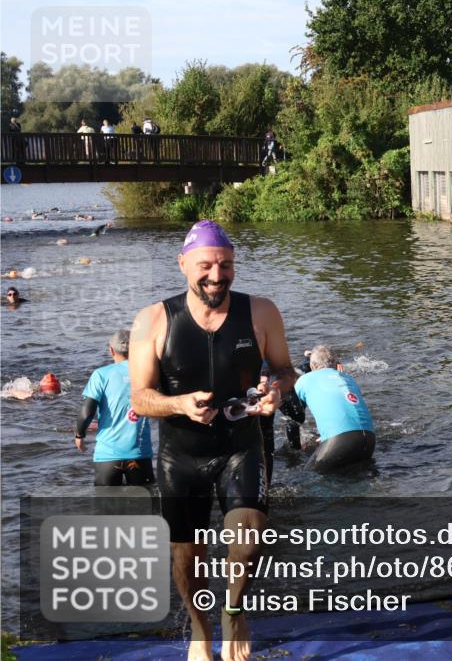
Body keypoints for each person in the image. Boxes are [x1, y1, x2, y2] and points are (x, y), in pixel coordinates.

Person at [129, 219, 294, 661]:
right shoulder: (152, 320)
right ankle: (201, 632)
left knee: (251, 536)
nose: (216, 276)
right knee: (188, 557)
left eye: (225, 265)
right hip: (180, 456)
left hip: (241, 445)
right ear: (183, 264)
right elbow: (141, 399)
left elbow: (285, 369)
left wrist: (277, 389)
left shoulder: (261, 312)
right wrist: (180, 404)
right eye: (205, 265)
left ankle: (233, 611)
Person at [75, 330, 154, 486]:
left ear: (111, 350)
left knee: (107, 508)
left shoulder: (101, 375)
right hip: (139, 455)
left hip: (108, 456)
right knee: (145, 507)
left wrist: (79, 435)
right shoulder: (147, 373)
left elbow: (87, 413)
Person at [294, 345, 376, 472]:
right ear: (336, 364)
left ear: (312, 366)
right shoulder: (349, 379)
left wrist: (294, 447)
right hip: (369, 440)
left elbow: (294, 415)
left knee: (307, 477)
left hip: (340, 441)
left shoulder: (304, 380)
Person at [257, 362, 305, 486]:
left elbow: (276, 356)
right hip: (250, 385)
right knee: (264, 439)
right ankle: (264, 486)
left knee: (297, 416)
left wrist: (265, 375)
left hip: (273, 376)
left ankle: (294, 449)